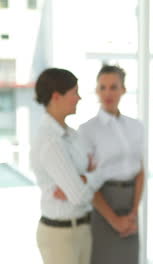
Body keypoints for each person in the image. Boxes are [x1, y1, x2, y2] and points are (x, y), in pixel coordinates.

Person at [31, 68, 102, 264]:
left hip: (81, 230)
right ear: (56, 96)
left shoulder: (71, 135)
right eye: (74, 93)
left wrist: (84, 179)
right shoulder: (50, 141)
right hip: (60, 236)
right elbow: (79, 197)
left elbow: (99, 172)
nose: (79, 98)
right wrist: (85, 180)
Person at [78, 65, 145, 264]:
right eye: (103, 87)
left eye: (113, 87)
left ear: (123, 90)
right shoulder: (87, 130)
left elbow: (140, 171)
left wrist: (133, 213)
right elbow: (87, 182)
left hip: (131, 202)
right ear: (97, 91)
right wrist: (115, 221)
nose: (108, 93)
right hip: (103, 204)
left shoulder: (136, 126)